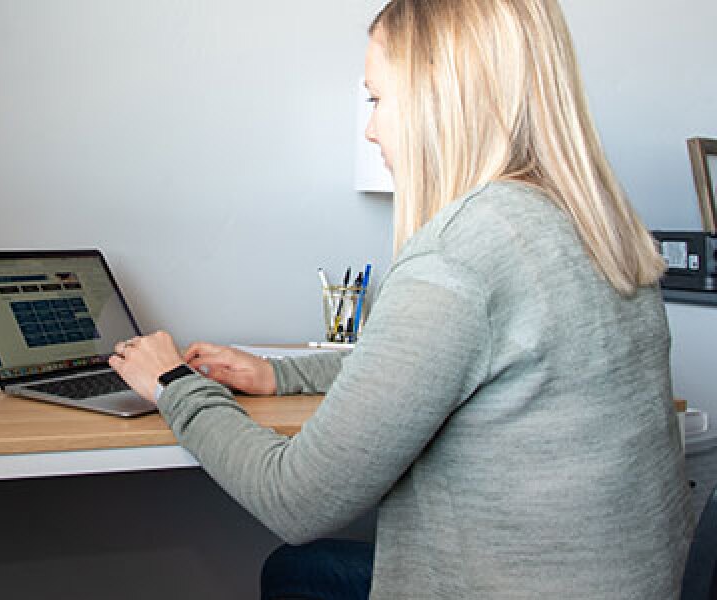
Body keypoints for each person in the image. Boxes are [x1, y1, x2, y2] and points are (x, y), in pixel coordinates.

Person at [108, 0, 693, 597]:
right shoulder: (598, 230)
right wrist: (280, 376)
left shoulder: (465, 250)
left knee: (293, 568)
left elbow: (295, 498)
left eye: (377, 99)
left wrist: (175, 383)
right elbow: (443, 365)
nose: (370, 128)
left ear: (441, 97)